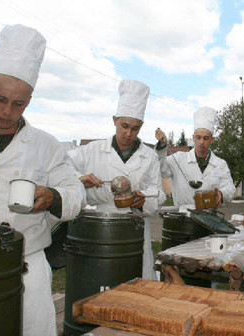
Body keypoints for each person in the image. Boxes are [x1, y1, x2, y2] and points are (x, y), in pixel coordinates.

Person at [0, 24, 85, 336]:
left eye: (18, 103)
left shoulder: (46, 145)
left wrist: (53, 197)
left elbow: (77, 194)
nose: (7, 111)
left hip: (27, 266)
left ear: (30, 99)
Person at [67, 79, 166, 280]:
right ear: (115, 120)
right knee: (104, 281)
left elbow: (159, 193)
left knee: (137, 283)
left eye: (135, 128)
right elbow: (62, 167)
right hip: (102, 228)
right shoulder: (92, 151)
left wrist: (144, 200)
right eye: (124, 126)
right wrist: (80, 179)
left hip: (136, 226)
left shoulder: (149, 156)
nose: (128, 134)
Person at [154, 107, 235, 210]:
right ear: (193, 138)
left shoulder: (220, 164)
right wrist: (161, 147)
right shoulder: (179, 159)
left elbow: (230, 189)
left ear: (212, 140)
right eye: (198, 137)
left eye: (206, 138)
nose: (201, 142)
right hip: (185, 216)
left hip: (210, 216)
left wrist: (221, 194)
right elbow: (162, 169)